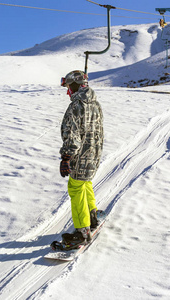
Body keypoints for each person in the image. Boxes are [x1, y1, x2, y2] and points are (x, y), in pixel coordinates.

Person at [59, 70, 104, 247]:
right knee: (85, 183)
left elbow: (73, 136)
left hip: (80, 155)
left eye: (69, 86)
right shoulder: (96, 104)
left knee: (76, 187)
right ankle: (92, 216)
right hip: (94, 153)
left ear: (76, 85)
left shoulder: (76, 106)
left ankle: (82, 231)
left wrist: (66, 157)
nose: (68, 90)